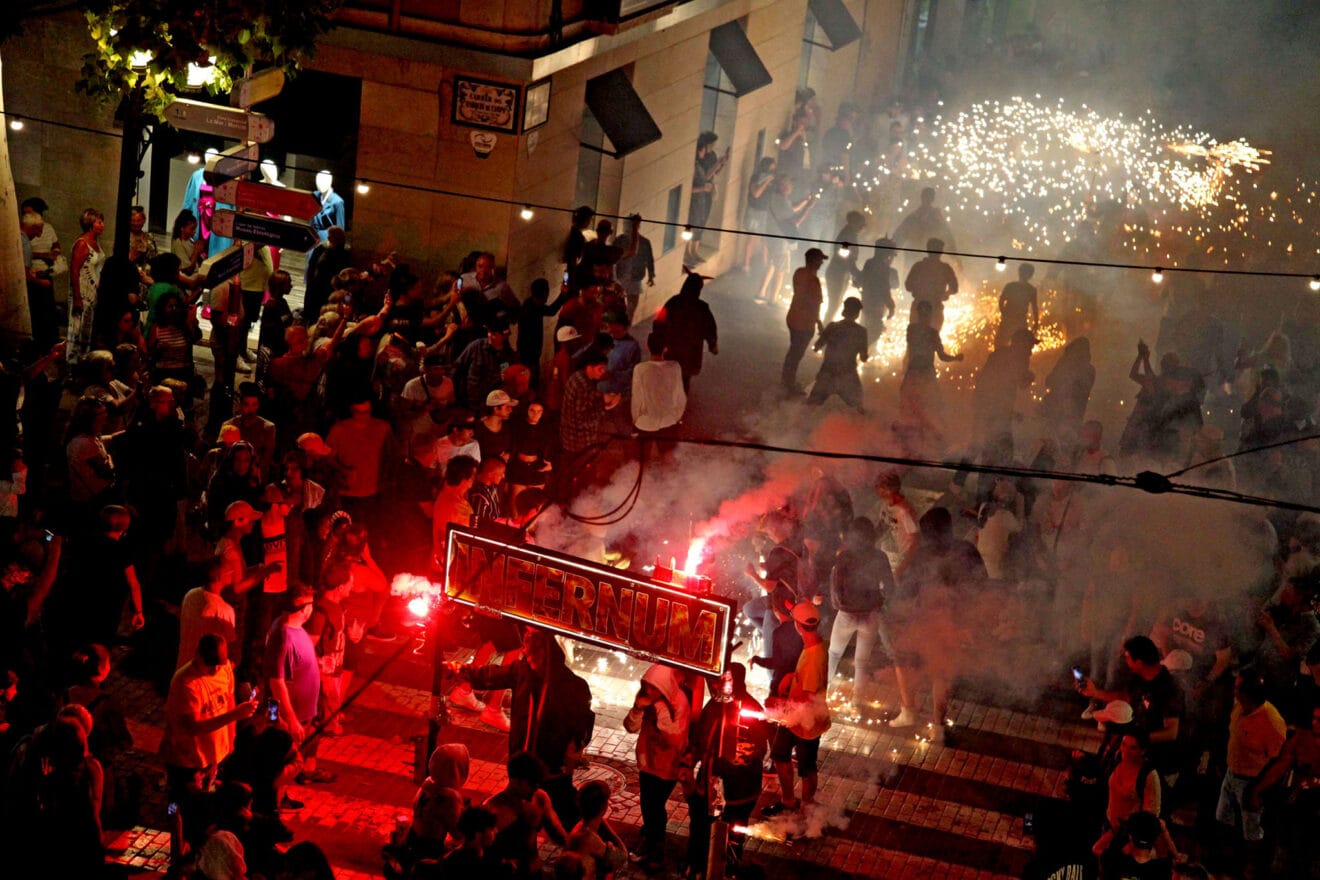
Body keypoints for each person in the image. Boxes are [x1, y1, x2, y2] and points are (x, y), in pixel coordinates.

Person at [462, 628, 595, 828]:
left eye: (531, 637)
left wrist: (574, 749)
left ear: (544, 649)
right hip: (523, 763)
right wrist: (460, 671)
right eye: (526, 636)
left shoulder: (574, 686)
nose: (525, 641)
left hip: (552, 767)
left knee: (566, 816)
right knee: (519, 817)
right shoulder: (521, 672)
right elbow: (492, 675)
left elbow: (584, 723)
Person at [828, 517, 914, 722]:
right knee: (861, 662)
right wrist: (880, 603)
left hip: (846, 613)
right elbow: (890, 587)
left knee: (833, 654)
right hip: (870, 614)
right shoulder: (880, 557)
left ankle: (820, 694)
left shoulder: (844, 557)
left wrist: (837, 606)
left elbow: (835, 586)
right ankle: (855, 704)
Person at [161, 634, 255, 816]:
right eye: (211, 664)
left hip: (212, 756)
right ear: (198, 655)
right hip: (187, 761)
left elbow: (228, 699)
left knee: (203, 805)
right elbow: (194, 727)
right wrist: (235, 715)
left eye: (219, 664)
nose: (216, 670)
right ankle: (174, 829)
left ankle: (195, 833)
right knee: (179, 804)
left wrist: (230, 739)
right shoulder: (186, 682)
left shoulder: (224, 667)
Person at [762, 600, 830, 816]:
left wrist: (779, 705)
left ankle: (807, 811)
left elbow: (808, 698)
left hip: (807, 723)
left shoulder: (812, 658)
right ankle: (789, 801)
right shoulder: (815, 645)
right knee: (780, 754)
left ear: (798, 626)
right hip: (794, 719)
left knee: (806, 767)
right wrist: (792, 678)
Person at [623, 663, 691, 871]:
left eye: (654, 687)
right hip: (647, 764)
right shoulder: (645, 698)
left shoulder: (679, 702)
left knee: (654, 807)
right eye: (647, 687)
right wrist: (637, 709)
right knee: (647, 804)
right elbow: (630, 726)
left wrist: (659, 706)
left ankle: (654, 850)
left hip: (667, 767)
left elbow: (675, 739)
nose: (649, 691)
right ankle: (649, 839)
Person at [1215, 673, 1285, 846]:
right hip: (1231, 775)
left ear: (1248, 694)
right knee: (1224, 818)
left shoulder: (1272, 722)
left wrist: (1258, 791)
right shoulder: (1239, 707)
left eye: (1237, 688)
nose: (1234, 691)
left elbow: (1278, 762)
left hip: (1252, 782)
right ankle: (1225, 854)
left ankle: (1250, 866)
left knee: (1250, 830)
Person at [485, 751, 569, 879]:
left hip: (534, 873)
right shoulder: (492, 811)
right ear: (515, 781)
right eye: (532, 784)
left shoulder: (539, 799)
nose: (536, 788)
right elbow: (482, 855)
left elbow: (558, 833)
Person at [653, 272, 718, 393]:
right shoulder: (702, 307)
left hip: (672, 348)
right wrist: (712, 344)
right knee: (684, 380)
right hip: (691, 353)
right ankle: (679, 404)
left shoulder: (673, 302)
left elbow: (660, 322)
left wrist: (657, 343)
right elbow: (710, 328)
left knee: (668, 376)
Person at [177, 557, 240, 672]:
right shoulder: (224, 610)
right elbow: (229, 647)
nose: (233, 573)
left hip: (183, 668)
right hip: (204, 677)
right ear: (219, 577)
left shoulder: (190, 595)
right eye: (230, 571)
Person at [806, 296, 869, 412]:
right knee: (857, 407)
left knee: (811, 406)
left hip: (828, 372)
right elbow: (863, 357)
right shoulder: (861, 332)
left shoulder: (833, 327)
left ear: (844, 310)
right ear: (857, 314)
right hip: (848, 374)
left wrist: (824, 335)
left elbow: (816, 347)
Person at [782, 247, 827, 394]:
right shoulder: (813, 280)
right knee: (796, 353)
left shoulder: (799, 272)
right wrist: (819, 323)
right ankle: (789, 384)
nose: (821, 263)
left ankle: (787, 380)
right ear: (813, 261)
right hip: (804, 323)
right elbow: (814, 304)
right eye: (820, 260)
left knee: (793, 351)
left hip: (793, 317)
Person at [565, 779, 627, 880]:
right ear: (604, 807)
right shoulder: (588, 838)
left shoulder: (580, 827)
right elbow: (621, 857)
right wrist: (610, 847)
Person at [631, 331, 687, 439]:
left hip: (645, 422)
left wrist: (635, 420)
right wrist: (677, 417)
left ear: (648, 346)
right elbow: (681, 396)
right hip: (669, 420)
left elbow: (637, 398)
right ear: (665, 348)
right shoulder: (675, 367)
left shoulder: (640, 369)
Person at [68, 208, 107, 365]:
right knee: (76, 332)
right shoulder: (82, 244)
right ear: (91, 224)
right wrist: (77, 297)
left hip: (93, 294)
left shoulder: (96, 242)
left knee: (87, 332)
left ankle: (83, 364)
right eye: (99, 222)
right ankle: (71, 365)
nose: (102, 225)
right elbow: (75, 270)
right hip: (82, 293)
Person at [685, 131, 730, 264]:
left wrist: (722, 163)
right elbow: (705, 176)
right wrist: (717, 164)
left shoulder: (711, 155)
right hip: (699, 194)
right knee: (693, 223)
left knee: (701, 222)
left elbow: (715, 173)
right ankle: (688, 252)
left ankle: (694, 251)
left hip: (706, 193)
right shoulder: (699, 160)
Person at [904, 238, 958, 332]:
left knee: (914, 340)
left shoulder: (918, 266)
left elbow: (908, 286)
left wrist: (917, 291)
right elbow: (954, 288)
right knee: (932, 339)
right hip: (935, 308)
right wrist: (946, 294)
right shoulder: (945, 268)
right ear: (941, 251)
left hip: (919, 307)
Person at [823, 211, 867, 322]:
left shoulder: (850, 234)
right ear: (854, 223)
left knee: (835, 303)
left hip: (840, 273)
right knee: (834, 303)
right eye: (861, 224)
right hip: (837, 273)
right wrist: (858, 274)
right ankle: (825, 328)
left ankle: (826, 327)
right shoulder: (847, 236)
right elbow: (846, 259)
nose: (862, 228)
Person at [612, 214, 655, 320]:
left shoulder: (644, 242)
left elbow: (649, 259)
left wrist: (651, 275)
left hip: (635, 277)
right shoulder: (620, 240)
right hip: (620, 277)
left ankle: (626, 326)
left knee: (631, 308)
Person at [858, 239, 898, 332]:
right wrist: (891, 306)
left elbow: (862, 279)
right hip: (876, 304)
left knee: (864, 326)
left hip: (866, 301)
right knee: (873, 329)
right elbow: (884, 289)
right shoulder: (883, 268)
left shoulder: (869, 263)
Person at [997, 263, 1039, 346]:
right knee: (1015, 344)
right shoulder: (1030, 289)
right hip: (1014, 320)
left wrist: (1003, 312)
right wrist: (1036, 322)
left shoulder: (1012, 286)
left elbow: (1001, 301)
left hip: (1015, 320)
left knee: (1005, 343)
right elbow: (1001, 301)